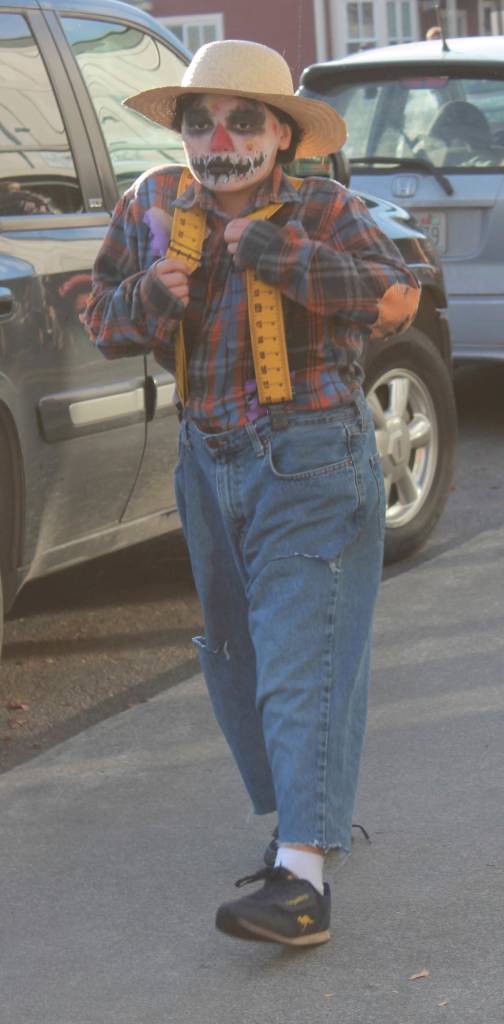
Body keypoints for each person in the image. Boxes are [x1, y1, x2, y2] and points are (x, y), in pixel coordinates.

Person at [84, 39, 420, 948]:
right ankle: (302, 827)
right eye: (201, 120)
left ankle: (302, 879)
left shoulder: (323, 205)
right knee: (238, 653)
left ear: (281, 133)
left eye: (242, 120)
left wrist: (286, 258)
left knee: (301, 648)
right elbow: (99, 316)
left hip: (311, 453)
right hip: (206, 456)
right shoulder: (152, 201)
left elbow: (397, 301)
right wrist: (150, 295)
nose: (219, 137)